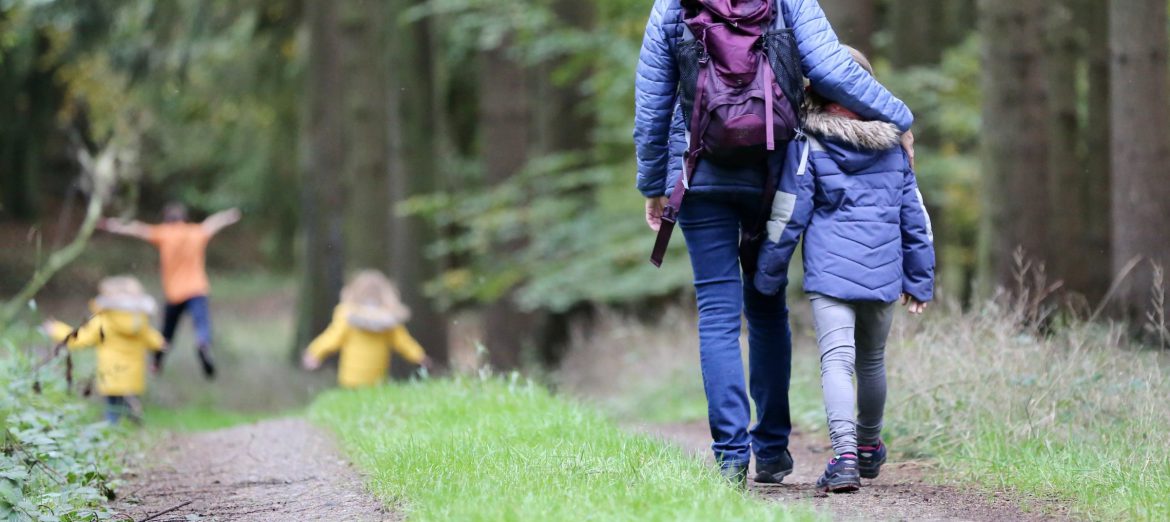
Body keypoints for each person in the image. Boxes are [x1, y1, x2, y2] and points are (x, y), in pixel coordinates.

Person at [635, 0, 915, 485]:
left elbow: (652, 102)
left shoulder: (672, 6)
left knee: (718, 312)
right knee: (765, 304)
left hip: (699, 171)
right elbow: (832, 69)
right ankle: (771, 450)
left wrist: (653, 184)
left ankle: (729, 456)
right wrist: (900, 118)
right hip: (772, 171)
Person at [754, 47, 935, 493]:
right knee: (872, 361)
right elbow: (916, 218)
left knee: (837, 362)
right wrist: (920, 279)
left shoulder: (809, 143)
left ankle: (846, 457)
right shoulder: (894, 146)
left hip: (831, 276)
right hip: (883, 272)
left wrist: (768, 273)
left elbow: (788, 213)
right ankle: (870, 446)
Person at [98, 203, 241, 379]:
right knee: (202, 323)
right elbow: (212, 223)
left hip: (174, 294)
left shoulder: (164, 233)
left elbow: (137, 229)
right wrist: (229, 215)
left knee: (167, 332)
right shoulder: (195, 232)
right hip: (197, 289)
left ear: (167, 220)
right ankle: (203, 344)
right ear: (184, 219)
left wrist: (111, 224)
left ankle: (156, 363)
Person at [44, 276, 167, 424]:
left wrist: (57, 329)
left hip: (111, 374)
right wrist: (161, 343)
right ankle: (132, 416)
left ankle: (113, 427)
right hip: (133, 375)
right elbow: (154, 340)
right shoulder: (139, 322)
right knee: (127, 401)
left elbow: (80, 338)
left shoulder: (104, 320)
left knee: (112, 408)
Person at [301, 270, 432, 388]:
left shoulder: (347, 314)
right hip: (377, 378)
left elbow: (332, 337)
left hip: (350, 378)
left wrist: (314, 352)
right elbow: (403, 342)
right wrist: (419, 356)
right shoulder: (389, 318)